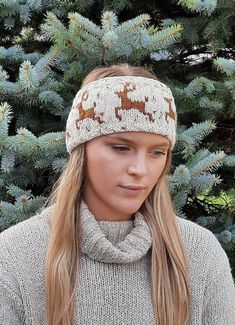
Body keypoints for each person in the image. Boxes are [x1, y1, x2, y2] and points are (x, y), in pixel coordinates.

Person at [0, 63, 234, 325]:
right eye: (121, 148)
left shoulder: (200, 253)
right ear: (81, 149)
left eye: (157, 152)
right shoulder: (14, 255)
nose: (140, 169)